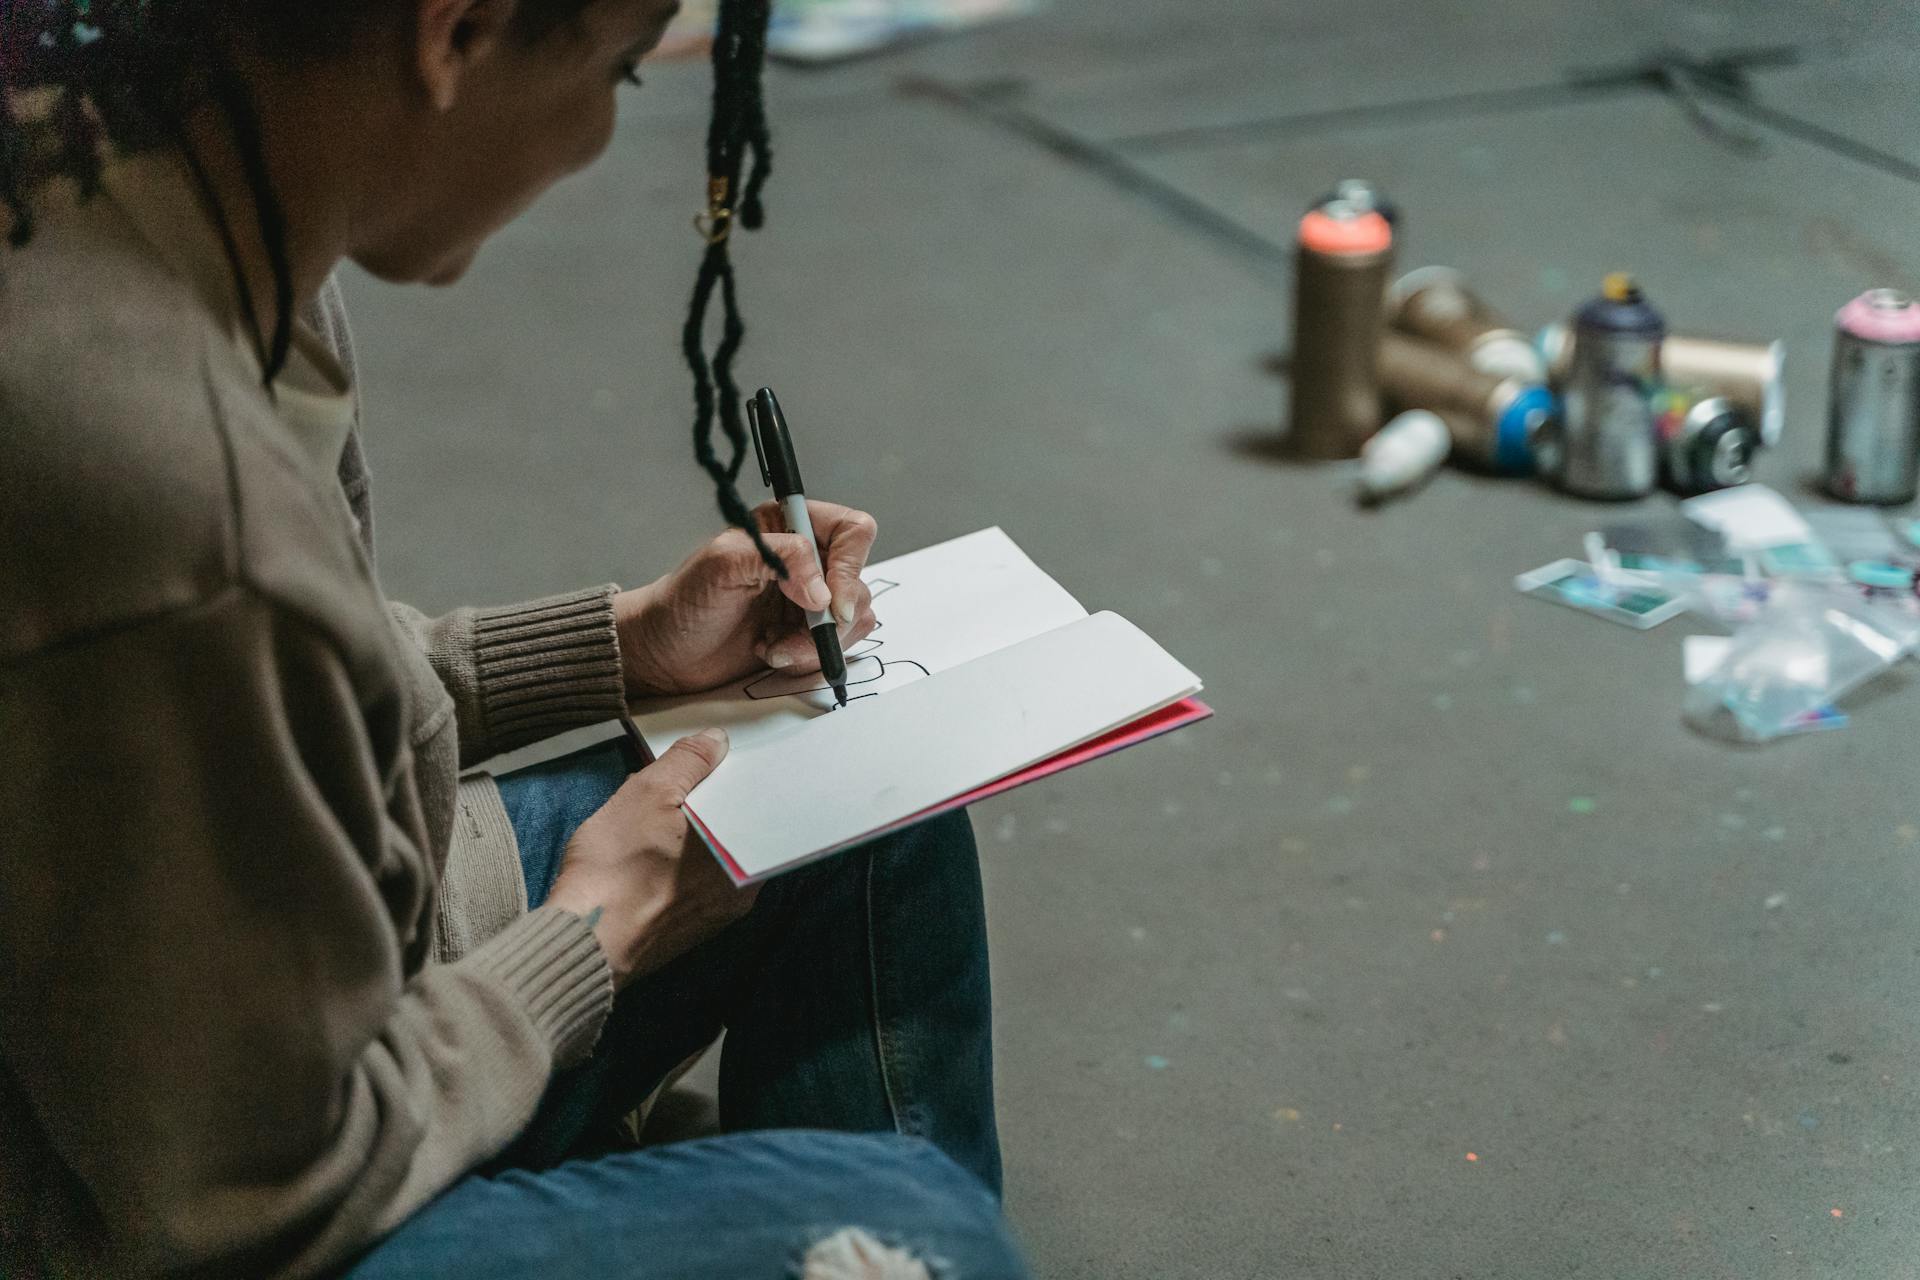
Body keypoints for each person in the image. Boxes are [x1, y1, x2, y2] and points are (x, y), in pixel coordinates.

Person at [0, 2, 1028, 1277]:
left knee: (868, 798)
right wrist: (593, 932)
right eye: (620, 74)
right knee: (918, 1233)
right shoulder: (176, 505)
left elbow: (284, 687)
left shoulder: (162, 184)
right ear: (456, 31)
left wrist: (627, 643)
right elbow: (247, 1203)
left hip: (325, 970)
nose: (602, 125)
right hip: (198, 1205)